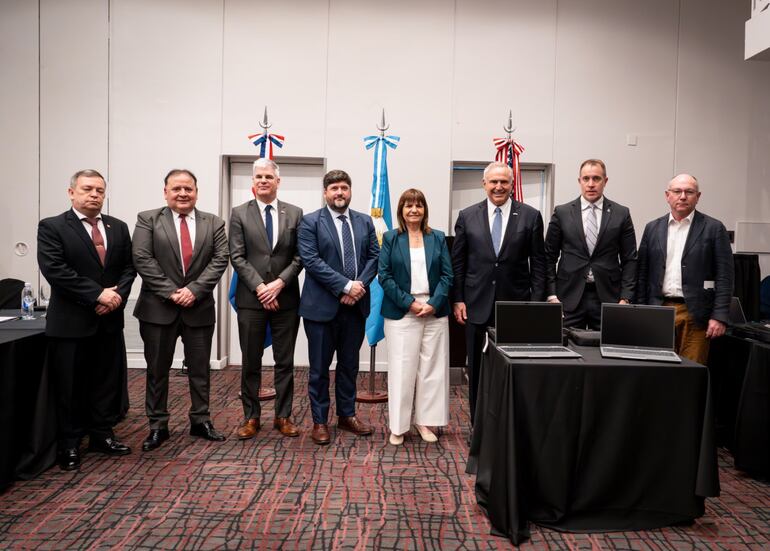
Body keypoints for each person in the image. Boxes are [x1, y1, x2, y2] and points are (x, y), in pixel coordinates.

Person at [37, 169, 136, 471]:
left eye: (99, 190)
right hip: (71, 322)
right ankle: (69, 443)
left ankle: (101, 435)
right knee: (70, 385)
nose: (94, 195)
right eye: (87, 189)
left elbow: (129, 268)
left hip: (109, 321)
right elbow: (55, 270)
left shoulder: (117, 227)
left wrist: (115, 297)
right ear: (71, 193)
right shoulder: (52, 227)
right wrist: (97, 295)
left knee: (106, 382)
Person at [132, 169, 229, 451]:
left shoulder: (214, 223)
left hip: (198, 309)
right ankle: (157, 425)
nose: (183, 193)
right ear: (165, 192)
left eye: (189, 188)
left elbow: (220, 259)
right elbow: (142, 258)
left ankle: (201, 420)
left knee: (200, 370)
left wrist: (194, 291)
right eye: (177, 189)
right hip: (158, 310)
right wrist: (172, 292)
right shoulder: (148, 219)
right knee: (157, 370)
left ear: (196, 192)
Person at [451, 161, 546, 426]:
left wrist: (536, 305)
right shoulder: (467, 216)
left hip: (515, 307)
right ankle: (477, 427)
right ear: (484, 184)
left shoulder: (530, 216)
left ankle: (509, 427)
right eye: (493, 182)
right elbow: (458, 262)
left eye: (504, 181)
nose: (498, 186)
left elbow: (539, 264)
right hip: (475, 304)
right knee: (478, 371)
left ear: (512, 184)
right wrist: (458, 298)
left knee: (513, 370)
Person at [297, 169, 380, 445]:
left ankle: (346, 415)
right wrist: (345, 286)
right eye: (334, 189)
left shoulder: (364, 221)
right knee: (319, 369)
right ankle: (320, 421)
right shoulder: (310, 222)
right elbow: (311, 261)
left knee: (349, 366)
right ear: (325, 193)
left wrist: (358, 287)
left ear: (350, 190)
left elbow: (374, 257)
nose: (339, 193)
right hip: (321, 310)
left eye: (344, 187)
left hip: (355, 308)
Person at [229, 159, 303, 439]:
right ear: (253, 181)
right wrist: (262, 288)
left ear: (277, 181)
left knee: (285, 361)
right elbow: (236, 256)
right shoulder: (239, 213)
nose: (263, 180)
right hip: (252, 299)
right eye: (258, 176)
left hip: (286, 300)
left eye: (268, 177)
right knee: (251, 360)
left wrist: (279, 284)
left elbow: (300, 256)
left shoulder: (295, 213)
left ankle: (283, 416)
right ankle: (251, 417)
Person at [379, 189, 453, 445]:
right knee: (402, 369)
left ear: (425, 210)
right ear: (401, 210)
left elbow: (447, 276)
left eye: (418, 205)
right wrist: (410, 303)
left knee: (431, 370)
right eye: (408, 205)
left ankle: (424, 421)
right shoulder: (391, 238)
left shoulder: (438, 238)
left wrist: (433, 303)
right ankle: (398, 427)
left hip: (434, 312)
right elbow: (384, 276)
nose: (414, 210)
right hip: (403, 312)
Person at [637, 174, 734, 364]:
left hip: (696, 314)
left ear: (698, 196)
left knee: (692, 372)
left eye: (689, 192)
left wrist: (720, 316)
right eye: (677, 191)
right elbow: (642, 274)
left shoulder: (713, 228)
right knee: (657, 369)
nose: (683, 196)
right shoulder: (652, 228)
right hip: (658, 310)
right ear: (667, 195)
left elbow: (725, 276)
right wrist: (641, 311)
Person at [544, 159, 637, 329]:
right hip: (568, 296)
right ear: (579, 181)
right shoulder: (562, 212)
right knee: (567, 349)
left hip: (608, 297)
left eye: (596, 178)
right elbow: (549, 256)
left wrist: (626, 297)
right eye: (586, 179)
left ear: (605, 181)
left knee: (606, 350)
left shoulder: (621, 213)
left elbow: (630, 259)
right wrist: (551, 295)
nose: (591, 184)